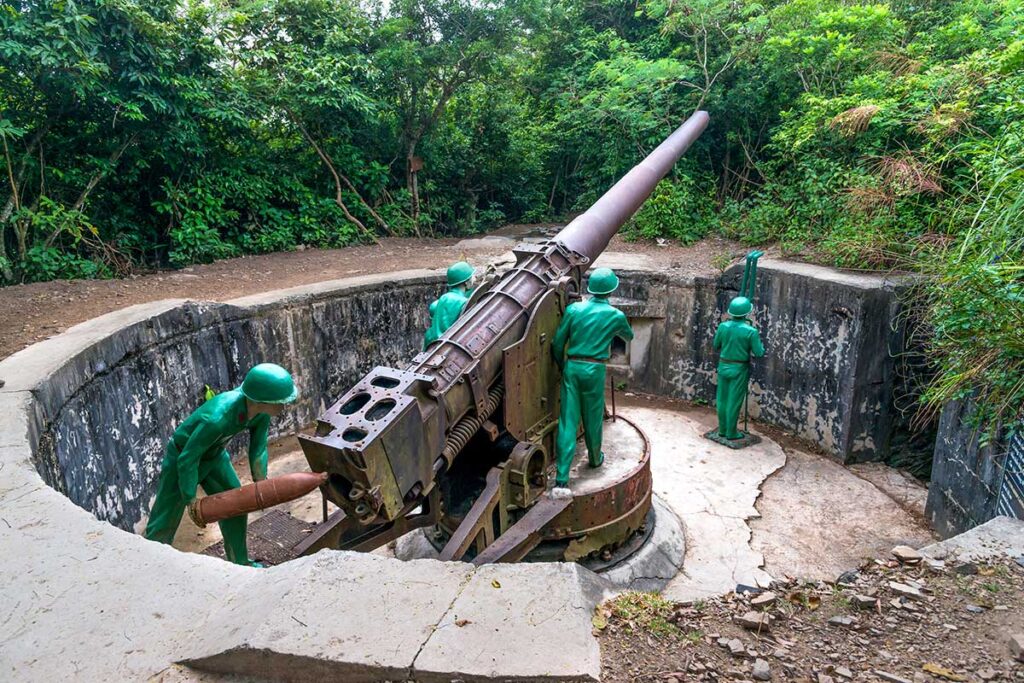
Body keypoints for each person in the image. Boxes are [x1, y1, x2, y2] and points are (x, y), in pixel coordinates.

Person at [144, 363, 298, 566]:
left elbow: (258, 447)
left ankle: (240, 561)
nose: (283, 406)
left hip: (215, 455)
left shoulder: (261, 413)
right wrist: (191, 500)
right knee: (166, 516)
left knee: (236, 505)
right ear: (261, 399)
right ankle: (149, 563)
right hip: (183, 457)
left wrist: (261, 483)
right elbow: (188, 458)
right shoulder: (217, 418)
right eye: (280, 401)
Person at [550, 267, 633, 495]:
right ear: (611, 290)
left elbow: (557, 343)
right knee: (593, 417)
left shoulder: (574, 309)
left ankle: (562, 478)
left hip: (573, 366)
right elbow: (628, 336)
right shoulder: (615, 315)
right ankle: (596, 459)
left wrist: (562, 365)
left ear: (590, 288)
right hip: (595, 369)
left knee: (567, 419)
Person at [712, 296, 765, 440]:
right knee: (734, 401)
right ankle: (731, 432)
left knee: (722, 399)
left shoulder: (723, 326)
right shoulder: (751, 331)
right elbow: (759, 352)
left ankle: (722, 430)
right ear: (747, 313)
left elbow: (716, 345)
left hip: (723, 365)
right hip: (739, 368)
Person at [424, 261, 475, 348]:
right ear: (466, 283)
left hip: (433, 344)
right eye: (472, 277)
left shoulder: (444, 298)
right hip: (451, 346)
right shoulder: (463, 302)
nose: (475, 278)